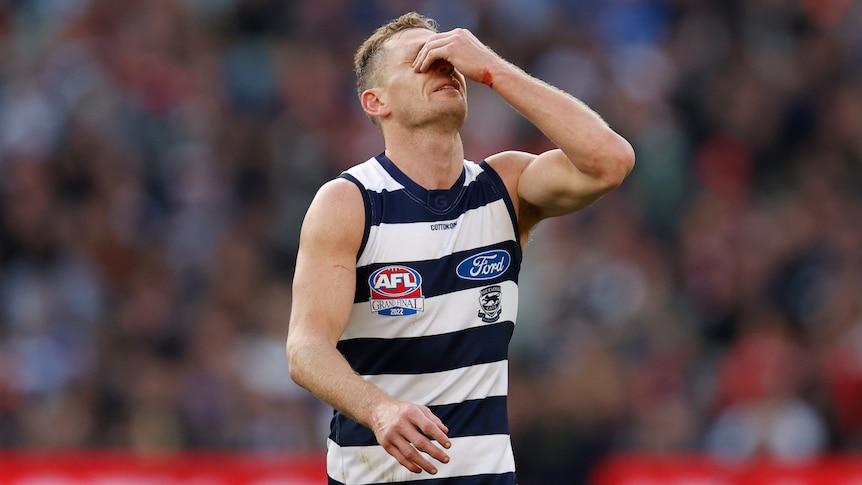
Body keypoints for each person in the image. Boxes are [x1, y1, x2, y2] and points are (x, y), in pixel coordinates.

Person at [286, 11, 635, 485]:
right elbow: (306, 349)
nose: (445, 68)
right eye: (421, 61)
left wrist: (492, 67)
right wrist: (379, 410)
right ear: (376, 102)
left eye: (449, 59)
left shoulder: (505, 186)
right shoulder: (350, 202)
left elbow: (610, 162)